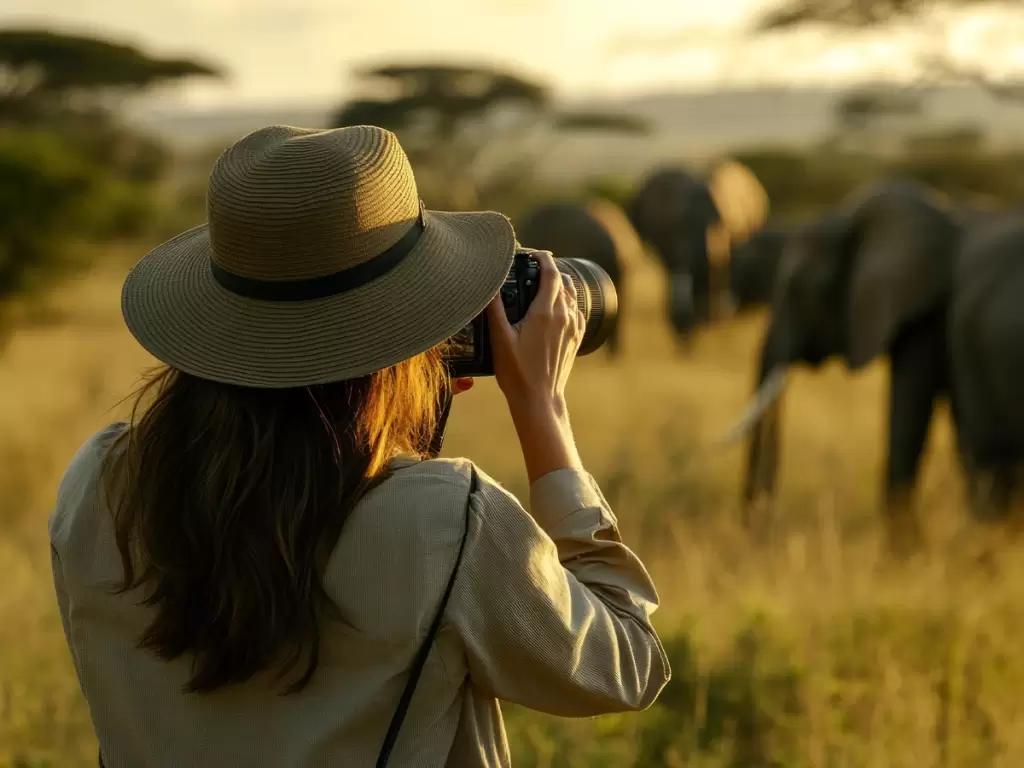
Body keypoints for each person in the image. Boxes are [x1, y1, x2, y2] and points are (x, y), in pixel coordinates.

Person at [48, 125, 671, 768]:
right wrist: (543, 409)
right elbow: (627, 663)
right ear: (407, 319)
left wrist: (402, 421)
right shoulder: (445, 519)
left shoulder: (98, 485)